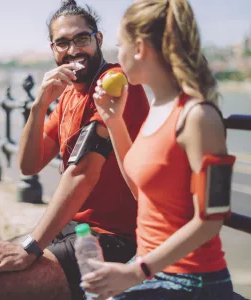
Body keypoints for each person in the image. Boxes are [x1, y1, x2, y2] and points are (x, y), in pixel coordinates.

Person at [0, 1, 150, 300]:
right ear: (53, 49)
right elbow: (29, 165)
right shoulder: (67, 96)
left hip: (115, 237)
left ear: (98, 40)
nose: (73, 50)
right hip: (74, 228)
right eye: (63, 43)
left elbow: (83, 173)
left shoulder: (113, 87)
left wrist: (32, 247)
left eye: (82, 39)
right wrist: (38, 107)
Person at [80, 0, 236, 299]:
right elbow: (142, 192)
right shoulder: (158, 107)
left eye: (119, 45)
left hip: (193, 280)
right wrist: (114, 122)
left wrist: (136, 271)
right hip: (151, 269)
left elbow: (212, 219)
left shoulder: (198, 116)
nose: (116, 54)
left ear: (138, 49)